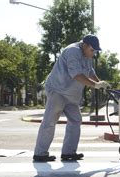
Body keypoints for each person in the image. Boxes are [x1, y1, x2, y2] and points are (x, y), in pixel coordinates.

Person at [33, 34, 110, 162]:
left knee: (76, 120)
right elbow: (76, 75)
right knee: (50, 121)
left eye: (95, 51)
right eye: (92, 50)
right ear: (84, 45)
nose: (93, 53)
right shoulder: (73, 51)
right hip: (58, 90)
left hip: (71, 95)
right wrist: (95, 85)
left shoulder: (87, 55)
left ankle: (68, 152)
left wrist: (100, 83)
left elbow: (89, 71)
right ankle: (40, 153)